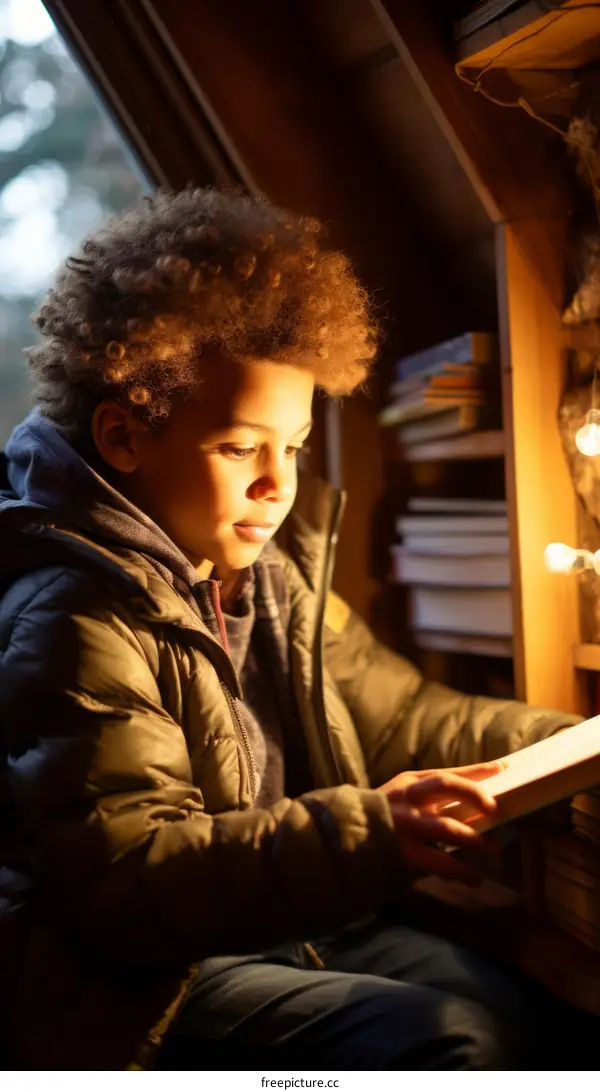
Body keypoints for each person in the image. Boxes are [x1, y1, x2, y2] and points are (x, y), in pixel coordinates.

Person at [0, 187, 585, 1071]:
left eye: (296, 447)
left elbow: (405, 717)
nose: (278, 485)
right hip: (143, 982)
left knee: (523, 1012)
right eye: (241, 448)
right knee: (453, 1040)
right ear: (123, 436)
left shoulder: (263, 578)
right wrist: (368, 834)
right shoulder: (72, 615)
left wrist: (571, 747)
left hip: (285, 922)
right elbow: (131, 880)